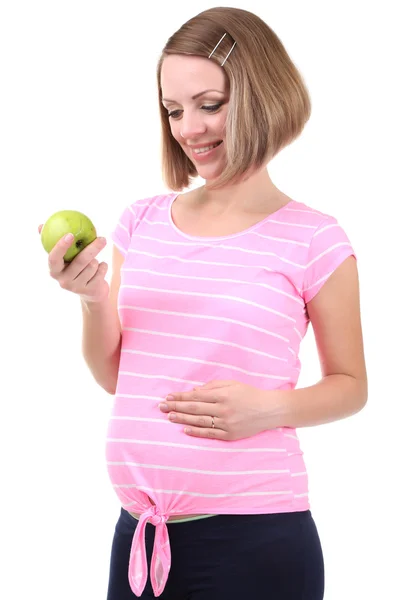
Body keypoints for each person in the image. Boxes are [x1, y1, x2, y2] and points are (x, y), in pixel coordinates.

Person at [39, 6, 368, 599]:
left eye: (209, 104)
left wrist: (267, 409)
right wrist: (92, 300)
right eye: (173, 110)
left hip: (258, 542)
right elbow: (118, 375)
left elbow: (351, 385)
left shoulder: (315, 238)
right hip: (140, 537)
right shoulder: (142, 221)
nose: (188, 128)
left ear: (262, 95)